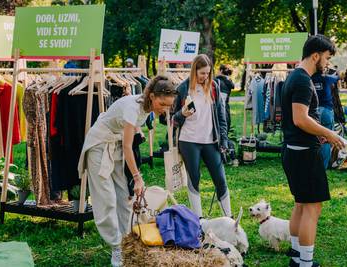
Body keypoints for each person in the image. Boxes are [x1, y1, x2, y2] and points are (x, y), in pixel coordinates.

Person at [77, 76, 177, 267]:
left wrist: (134, 175)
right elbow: (128, 146)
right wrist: (137, 177)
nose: (164, 109)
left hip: (115, 145)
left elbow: (130, 140)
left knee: (124, 196)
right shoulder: (133, 107)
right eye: (162, 103)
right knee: (106, 199)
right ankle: (116, 247)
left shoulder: (147, 107)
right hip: (99, 145)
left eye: (168, 106)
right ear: (152, 96)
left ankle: (127, 241)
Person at [281, 35, 345, 267]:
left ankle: (297, 257)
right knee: (312, 207)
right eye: (326, 58)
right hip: (304, 154)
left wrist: (318, 133)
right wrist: (329, 133)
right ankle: (306, 263)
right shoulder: (302, 80)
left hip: (294, 150)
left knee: (301, 204)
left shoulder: (295, 77)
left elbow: (299, 119)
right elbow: (300, 119)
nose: (327, 64)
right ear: (315, 55)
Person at [172, 54, 232, 218]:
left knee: (220, 179)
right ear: (194, 71)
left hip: (211, 141)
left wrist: (224, 140)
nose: (205, 77)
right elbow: (170, 119)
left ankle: (229, 219)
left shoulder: (214, 87)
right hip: (188, 141)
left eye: (208, 73)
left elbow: (221, 117)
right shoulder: (183, 88)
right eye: (202, 73)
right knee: (194, 179)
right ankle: (199, 220)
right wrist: (182, 114)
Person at [311, 70, 339, 169]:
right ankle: (323, 166)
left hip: (313, 112)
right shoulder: (326, 78)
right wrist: (335, 73)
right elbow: (337, 78)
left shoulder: (309, 79)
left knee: (314, 139)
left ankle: (314, 164)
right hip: (326, 111)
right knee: (327, 138)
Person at [215, 64, 234, 134]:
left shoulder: (216, 81)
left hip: (217, 107)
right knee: (225, 126)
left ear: (221, 70)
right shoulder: (229, 81)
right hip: (226, 107)